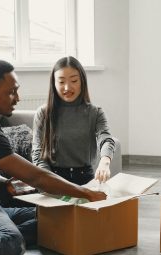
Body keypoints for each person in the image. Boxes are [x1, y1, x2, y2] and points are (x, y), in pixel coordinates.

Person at [0, 59, 106, 255]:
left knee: (57, 219)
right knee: (11, 242)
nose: (17, 98)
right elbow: (37, 176)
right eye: (11, 92)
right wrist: (86, 193)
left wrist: (3, 183)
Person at [32, 56, 116, 186]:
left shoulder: (95, 112)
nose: (67, 87)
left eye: (74, 80)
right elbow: (38, 155)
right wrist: (50, 183)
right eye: (61, 82)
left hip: (86, 179)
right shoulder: (43, 113)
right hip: (52, 178)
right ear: (53, 84)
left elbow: (106, 139)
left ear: (82, 81)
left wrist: (105, 162)